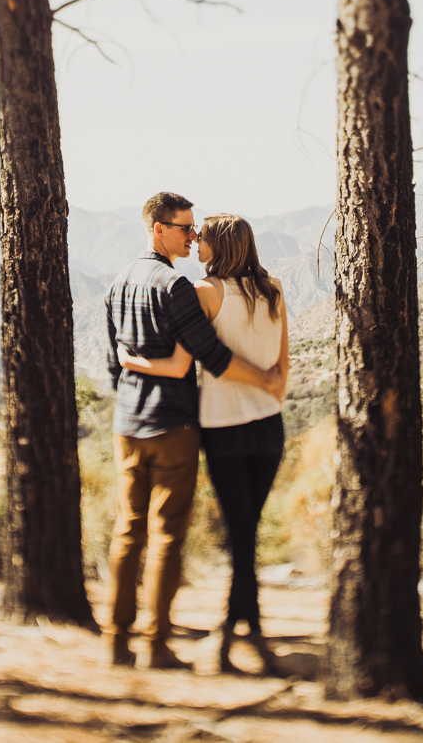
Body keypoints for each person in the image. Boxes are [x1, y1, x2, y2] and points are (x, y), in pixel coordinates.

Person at [103, 192, 286, 671]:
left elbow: (113, 363)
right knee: (165, 537)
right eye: (185, 228)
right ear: (159, 229)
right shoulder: (177, 286)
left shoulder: (118, 281)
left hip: (127, 423)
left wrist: (131, 372)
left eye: (195, 230)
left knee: (127, 531)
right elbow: (211, 356)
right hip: (175, 424)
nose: (192, 236)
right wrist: (268, 381)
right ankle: (156, 645)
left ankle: (115, 639)